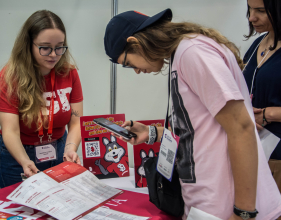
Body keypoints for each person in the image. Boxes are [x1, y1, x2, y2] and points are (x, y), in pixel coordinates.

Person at [104, 9, 281, 220]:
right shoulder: (183, 54)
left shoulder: (193, 52)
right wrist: (153, 133)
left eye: (127, 62)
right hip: (207, 202)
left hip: (224, 204)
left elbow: (241, 128)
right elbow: (203, 129)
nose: (135, 70)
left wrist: (243, 212)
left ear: (135, 43)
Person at [0, 10, 83, 188]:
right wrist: (24, 161)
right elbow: (10, 131)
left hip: (58, 149)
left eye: (59, 47)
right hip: (18, 154)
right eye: (45, 47)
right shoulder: (10, 79)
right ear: (28, 45)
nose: (53, 54)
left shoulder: (69, 73)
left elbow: (76, 121)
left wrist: (70, 147)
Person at [243, 0, 281, 194]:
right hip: (255, 154)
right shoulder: (259, 42)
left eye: (261, 11)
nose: (251, 17)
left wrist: (270, 113)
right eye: (249, 9)